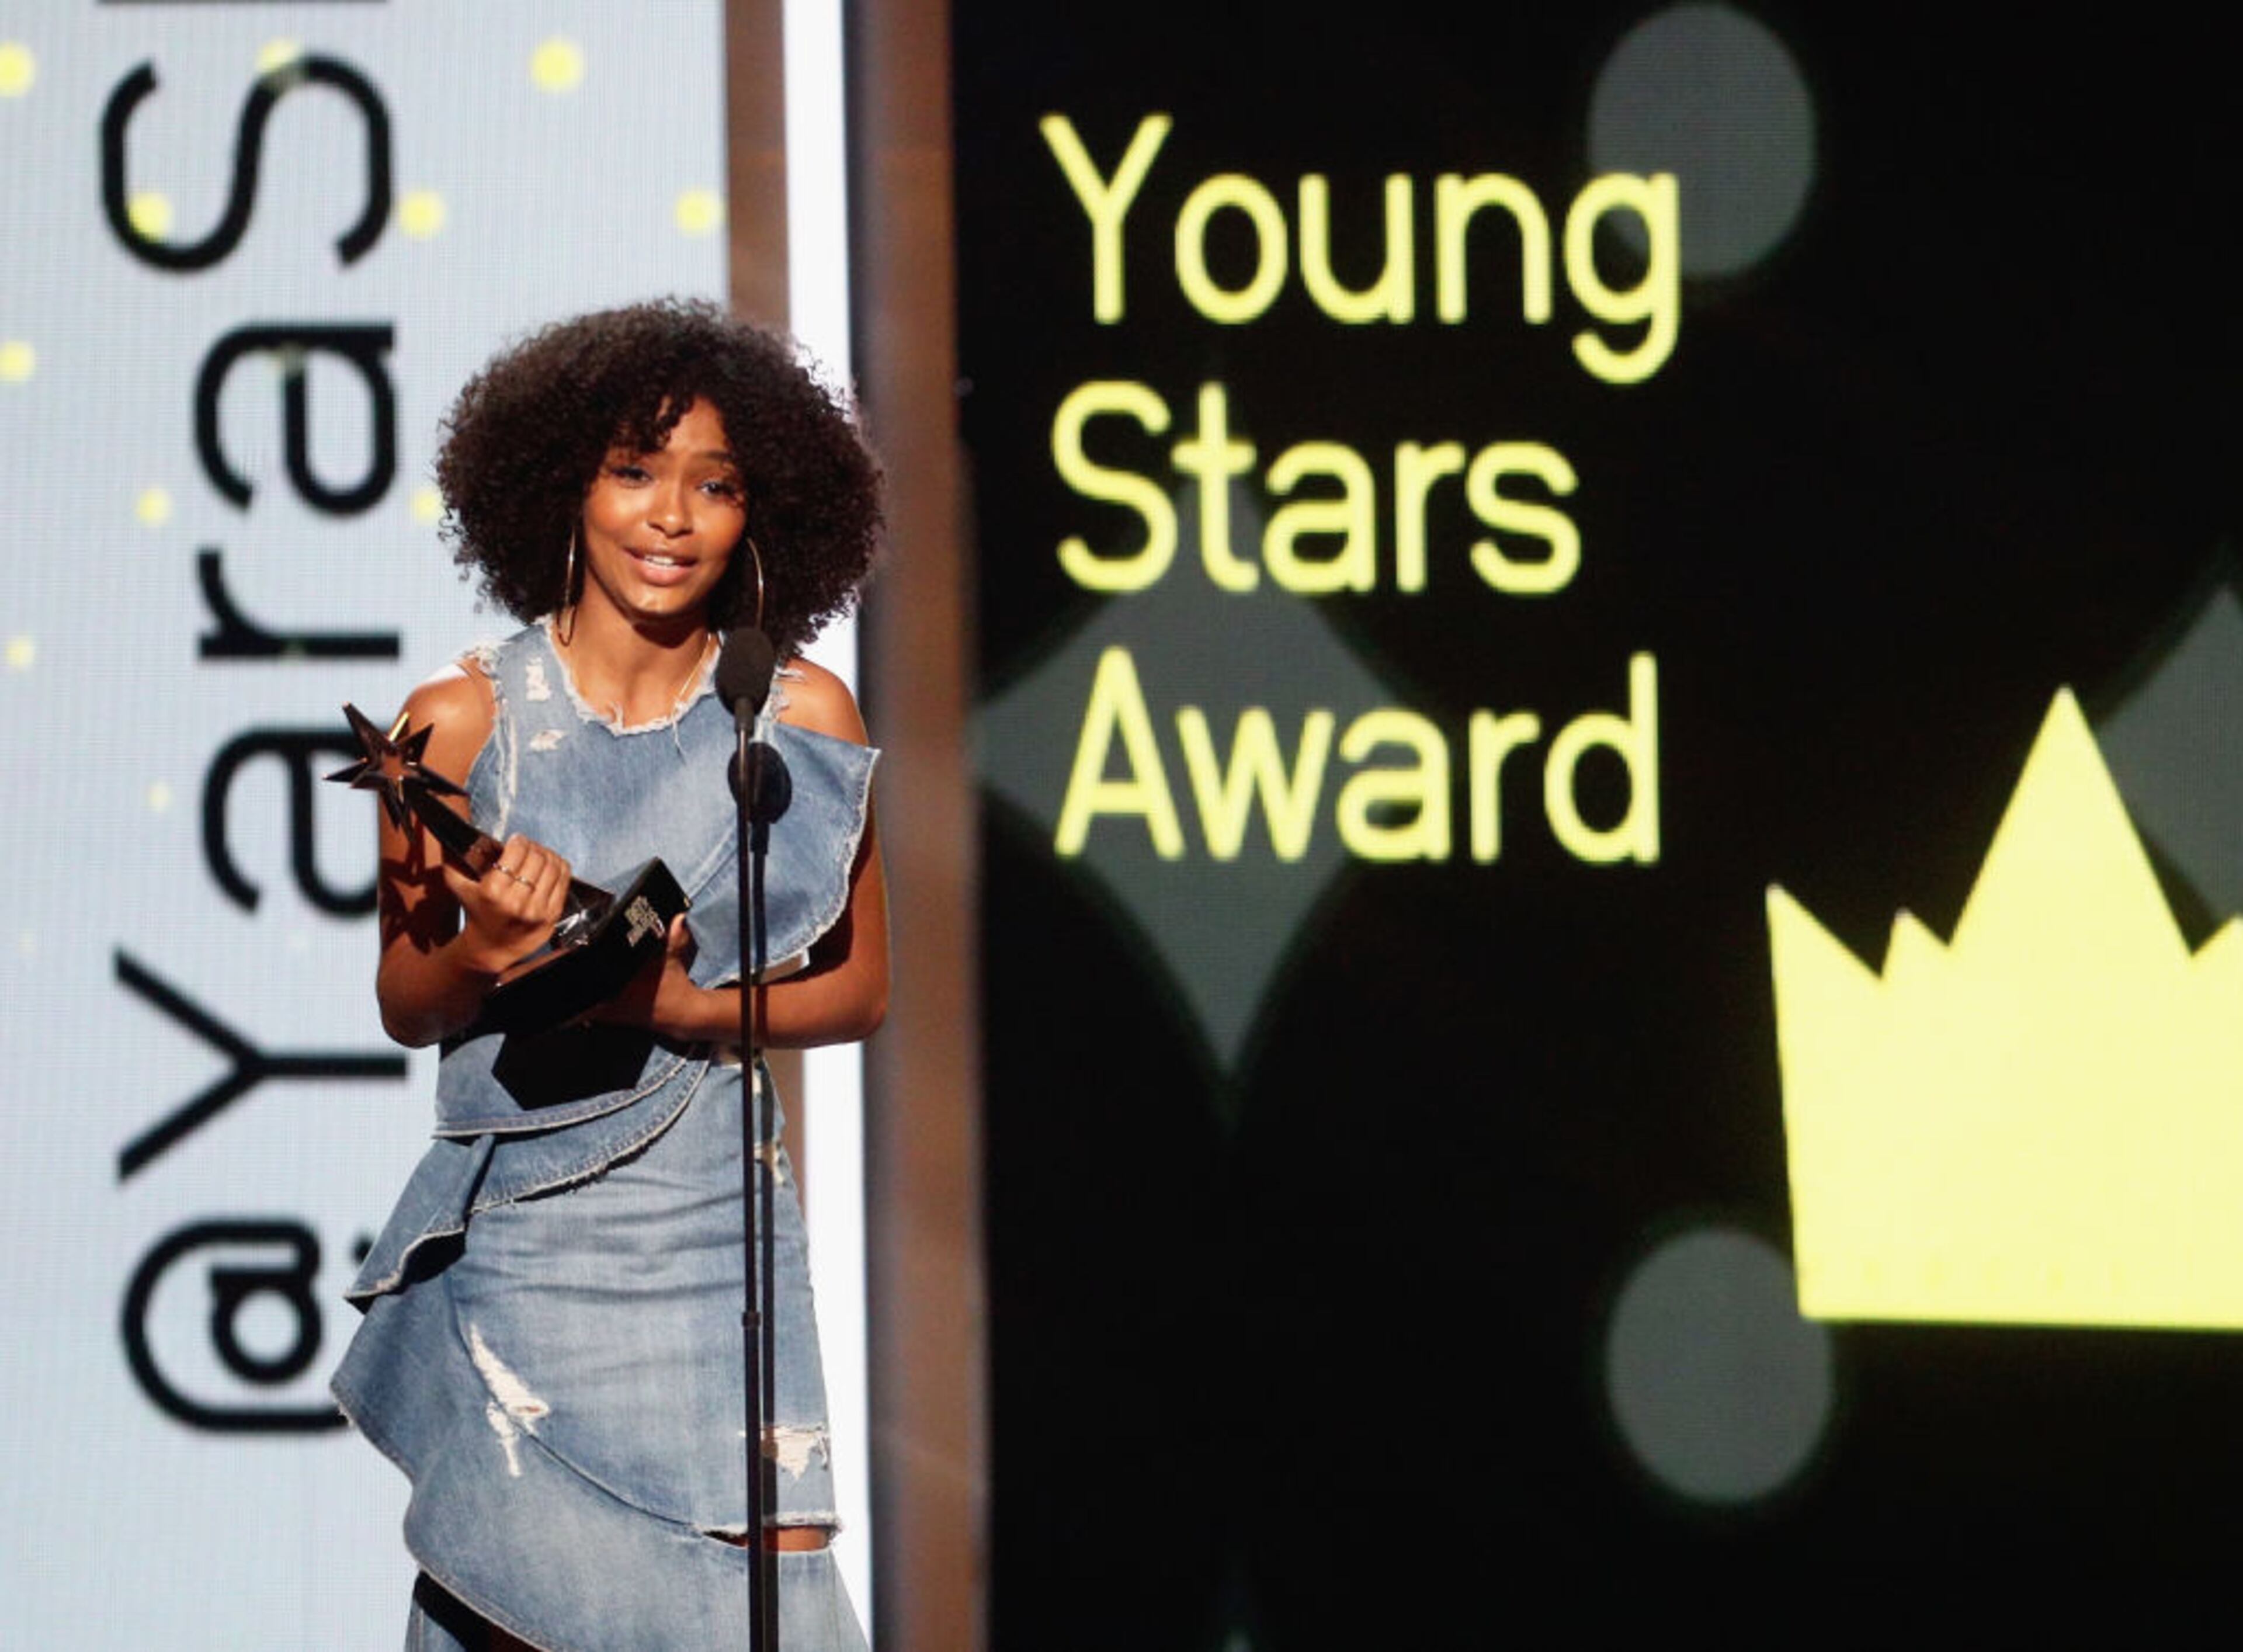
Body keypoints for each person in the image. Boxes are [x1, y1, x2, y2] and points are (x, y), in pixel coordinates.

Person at [331, 299, 887, 1652]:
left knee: (766, 1592)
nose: (671, 517)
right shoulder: (457, 724)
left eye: (717, 483)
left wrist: (688, 1008)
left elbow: (865, 989)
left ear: (763, 514)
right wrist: (489, 949)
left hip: (715, 1235)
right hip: (525, 1240)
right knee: (522, 1598)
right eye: (636, 471)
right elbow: (408, 1000)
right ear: (562, 485)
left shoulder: (794, 713)